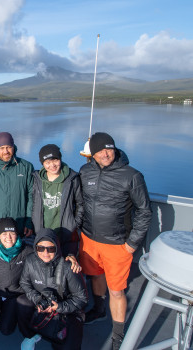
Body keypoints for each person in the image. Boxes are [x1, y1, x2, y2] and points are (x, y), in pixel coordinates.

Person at [78, 132, 151, 350]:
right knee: (95, 276)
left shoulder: (131, 176)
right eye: (99, 150)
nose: (105, 153)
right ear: (92, 154)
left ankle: (118, 336)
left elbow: (144, 211)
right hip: (89, 239)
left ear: (115, 149)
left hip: (117, 243)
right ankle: (99, 309)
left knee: (117, 290)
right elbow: (79, 202)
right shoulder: (85, 171)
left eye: (108, 148)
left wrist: (132, 243)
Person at [18, 228, 87, 350]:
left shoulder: (68, 267)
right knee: (21, 302)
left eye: (50, 248)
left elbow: (82, 298)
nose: (45, 253)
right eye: (40, 248)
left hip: (66, 310)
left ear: (57, 248)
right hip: (42, 304)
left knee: (67, 346)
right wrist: (38, 299)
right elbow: (24, 283)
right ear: (35, 248)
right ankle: (30, 336)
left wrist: (60, 307)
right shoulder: (30, 261)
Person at [0, 217, 33, 335]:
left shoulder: (27, 251)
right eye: (4, 233)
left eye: (12, 233)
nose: (8, 237)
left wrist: (70, 256)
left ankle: (7, 311)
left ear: (17, 234)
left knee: (6, 329)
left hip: (15, 294)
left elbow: (45, 259)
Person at [32, 144, 84, 257]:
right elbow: (32, 202)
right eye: (47, 162)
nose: (52, 165)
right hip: (42, 232)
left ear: (60, 158)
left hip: (65, 233)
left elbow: (80, 203)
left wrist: (74, 224)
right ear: (42, 164)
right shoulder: (37, 179)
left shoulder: (72, 178)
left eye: (55, 160)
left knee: (65, 267)